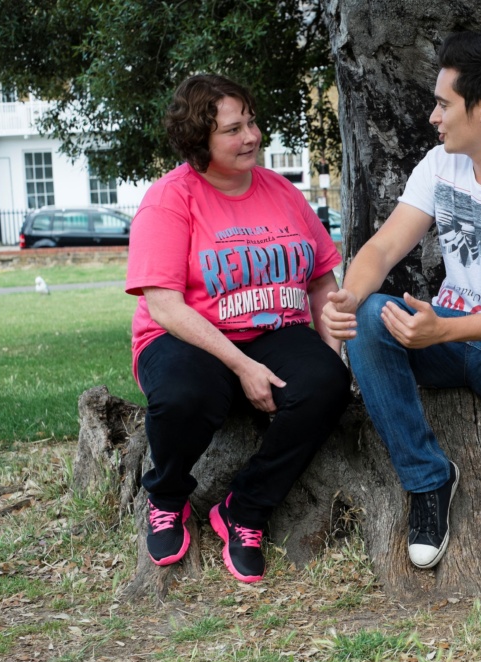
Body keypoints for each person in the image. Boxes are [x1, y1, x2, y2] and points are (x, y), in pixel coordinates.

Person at [322, 31, 481, 604]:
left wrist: (445, 327)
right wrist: (346, 299)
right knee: (369, 314)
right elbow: (383, 248)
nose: (433, 115)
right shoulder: (441, 164)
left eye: (443, 103)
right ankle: (429, 482)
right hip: (448, 338)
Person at [125, 74, 350, 583]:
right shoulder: (169, 199)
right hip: (188, 334)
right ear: (199, 141)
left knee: (326, 386)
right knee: (185, 395)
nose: (251, 136)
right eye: (233, 129)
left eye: (251, 122)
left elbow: (321, 279)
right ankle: (166, 496)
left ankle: (244, 510)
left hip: (277, 328)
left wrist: (329, 349)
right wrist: (243, 366)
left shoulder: (282, 191)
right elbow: (163, 305)